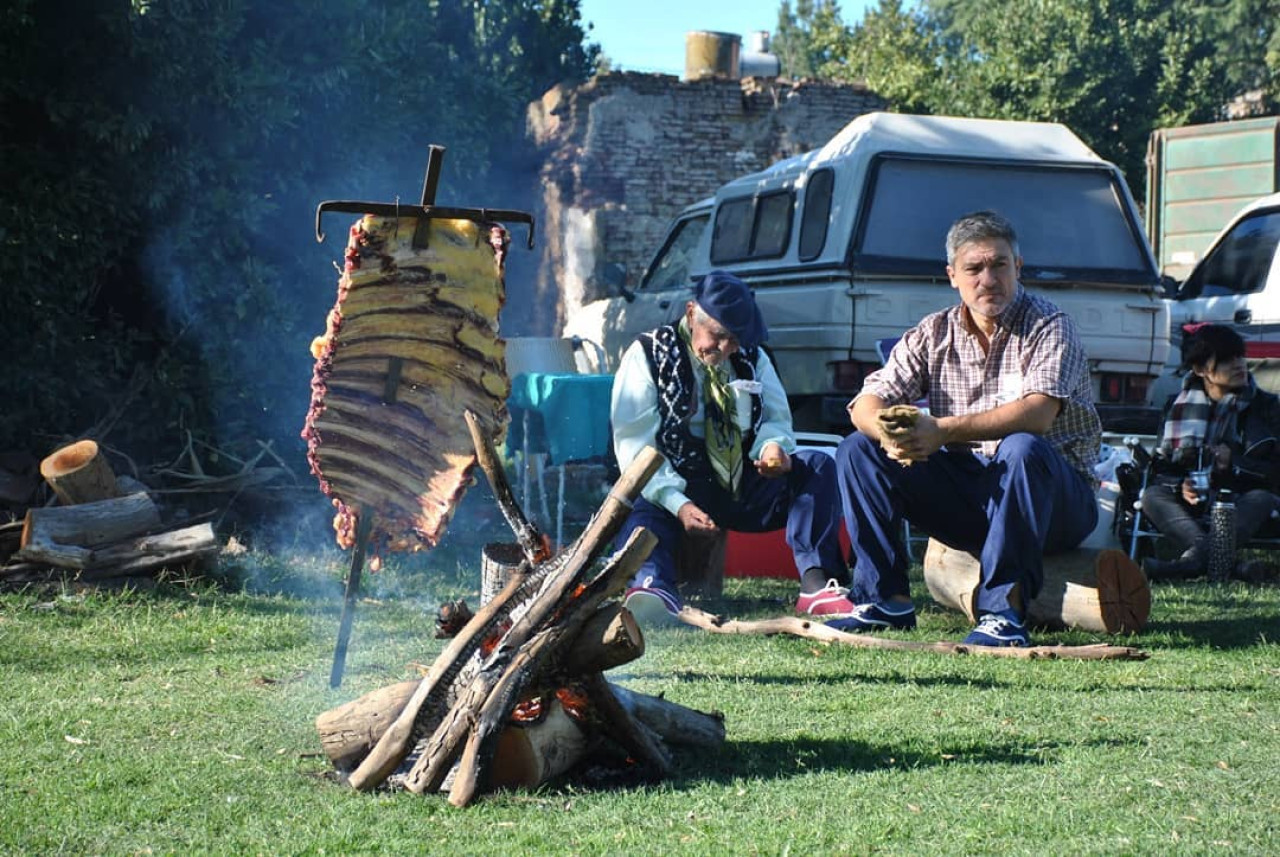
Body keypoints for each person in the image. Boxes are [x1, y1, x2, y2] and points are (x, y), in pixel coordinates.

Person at [833, 210, 1102, 647]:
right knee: (857, 449)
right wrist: (889, 435)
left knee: (1021, 447)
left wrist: (940, 431)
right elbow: (866, 401)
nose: (988, 280)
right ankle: (885, 601)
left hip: (1056, 501)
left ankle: (1004, 613)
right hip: (971, 492)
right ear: (952, 276)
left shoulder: (1052, 326)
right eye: (974, 268)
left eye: (998, 265)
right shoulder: (932, 331)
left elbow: (1037, 415)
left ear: (1018, 267)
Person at [612, 270, 849, 626]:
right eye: (718, 337)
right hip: (674, 485)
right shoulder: (647, 353)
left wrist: (773, 448)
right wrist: (680, 504)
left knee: (817, 466)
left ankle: (815, 584)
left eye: (734, 341)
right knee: (640, 501)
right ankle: (652, 586)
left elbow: (776, 417)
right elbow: (635, 446)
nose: (725, 350)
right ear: (692, 314)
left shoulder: (754, 355)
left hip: (740, 485)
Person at [1140, 323, 1280, 579]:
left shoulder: (1266, 406)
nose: (1239, 365)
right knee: (1152, 496)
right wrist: (1180, 485)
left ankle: (1188, 565)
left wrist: (1233, 464)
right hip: (1194, 501)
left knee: (1261, 498)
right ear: (1201, 369)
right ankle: (1234, 567)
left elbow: (1275, 474)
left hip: (1242, 499)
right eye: (1227, 360)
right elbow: (1160, 468)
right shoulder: (1177, 406)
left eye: (1240, 356)